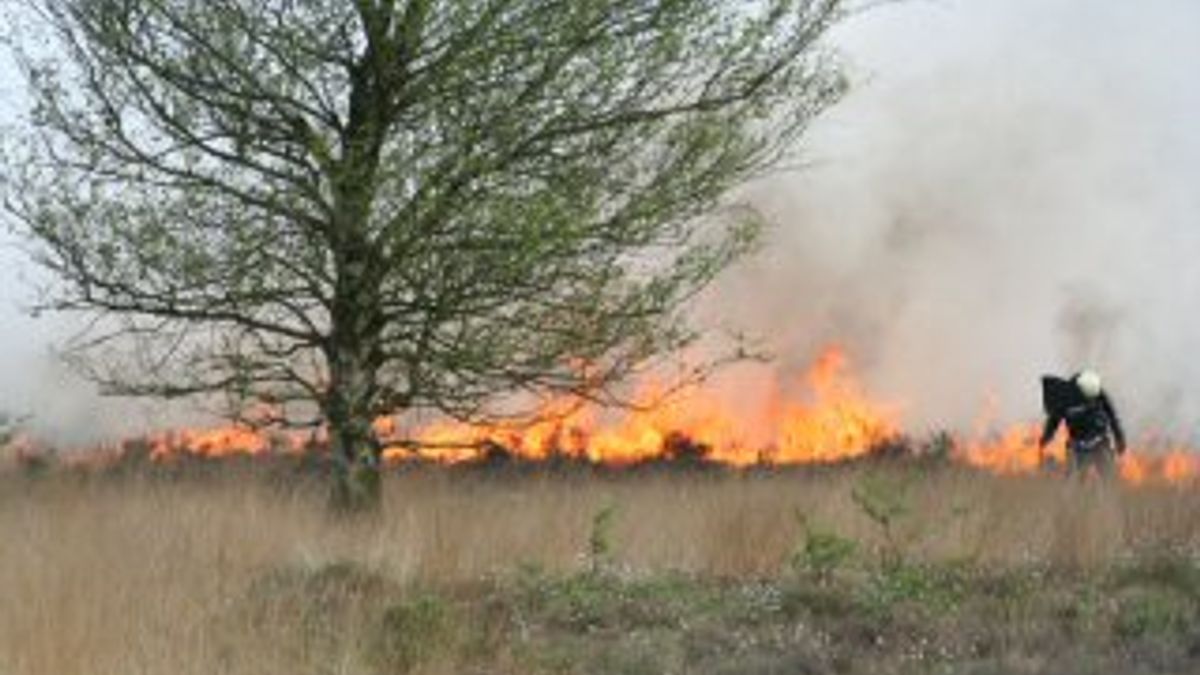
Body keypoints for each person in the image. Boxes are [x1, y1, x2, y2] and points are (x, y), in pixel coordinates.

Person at [1039, 369, 1126, 478]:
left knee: (1109, 478)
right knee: (1073, 484)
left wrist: (1119, 438)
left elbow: (1112, 416)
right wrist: (1046, 438)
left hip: (1100, 443)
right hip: (1077, 447)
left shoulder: (1098, 392)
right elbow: (1053, 421)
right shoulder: (1064, 398)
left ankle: (1105, 493)